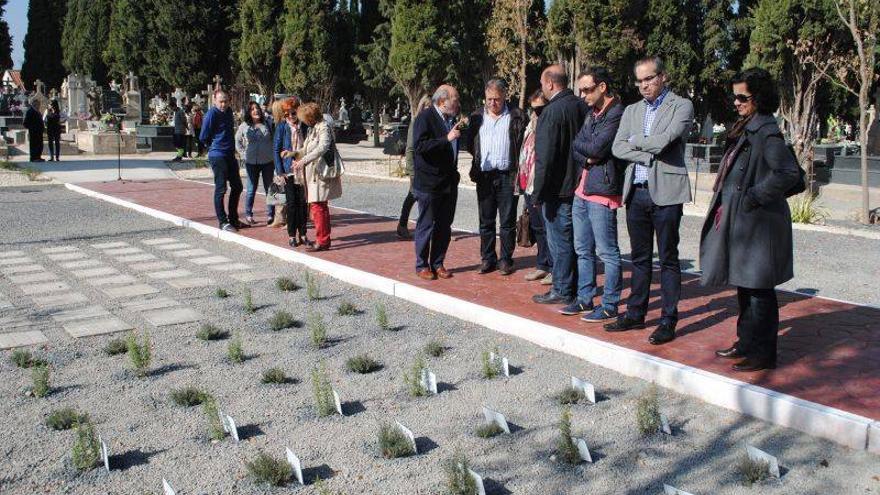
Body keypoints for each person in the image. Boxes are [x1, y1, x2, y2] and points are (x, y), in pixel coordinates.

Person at [700, 68, 801, 372]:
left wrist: (754, 196)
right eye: (735, 97)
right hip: (745, 222)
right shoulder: (746, 127)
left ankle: (763, 354)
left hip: (759, 224)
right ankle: (745, 343)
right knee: (745, 287)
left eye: (742, 97)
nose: (736, 102)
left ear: (758, 99)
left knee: (759, 292)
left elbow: (789, 174)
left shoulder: (766, 131)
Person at [607, 56, 694, 345]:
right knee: (640, 258)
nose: (644, 85)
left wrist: (637, 141)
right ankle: (635, 312)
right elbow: (618, 147)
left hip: (667, 193)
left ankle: (668, 320)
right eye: (639, 80)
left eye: (649, 78)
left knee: (668, 258)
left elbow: (665, 140)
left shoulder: (681, 105)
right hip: (637, 192)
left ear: (663, 77)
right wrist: (645, 150)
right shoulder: (632, 110)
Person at [566, 67, 626, 321]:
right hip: (583, 188)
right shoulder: (592, 114)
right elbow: (577, 144)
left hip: (603, 192)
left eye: (588, 90)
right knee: (582, 249)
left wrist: (590, 152)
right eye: (581, 90)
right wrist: (588, 153)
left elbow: (599, 148)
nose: (583, 95)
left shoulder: (616, 113)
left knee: (607, 252)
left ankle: (610, 304)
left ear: (602, 87)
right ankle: (584, 299)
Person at [531, 65, 589, 304]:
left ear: (551, 84)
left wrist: (538, 193)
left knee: (559, 241)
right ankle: (573, 285)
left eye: (543, 83)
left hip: (557, 188)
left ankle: (563, 289)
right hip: (578, 184)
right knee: (574, 241)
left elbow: (545, 157)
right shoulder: (581, 105)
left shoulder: (552, 112)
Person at [465, 79, 526, 276]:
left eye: (497, 99)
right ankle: (487, 258)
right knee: (486, 220)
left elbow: (522, 144)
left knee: (507, 221)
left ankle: (506, 259)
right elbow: (470, 143)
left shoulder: (517, 116)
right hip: (484, 176)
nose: (493, 103)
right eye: (489, 99)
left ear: (504, 97)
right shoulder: (476, 117)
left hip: (508, 176)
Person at [411, 84, 463, 281]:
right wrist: (446, 139)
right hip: (429, 183)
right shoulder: (425, 118)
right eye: (455, 100)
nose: (458, 103)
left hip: (448, 182)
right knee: (426, 225)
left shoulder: (451, 120)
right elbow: (420, 146)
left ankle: (438, 262)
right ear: (442, 102)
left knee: (444, 225)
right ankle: (422, 264)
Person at [288, 102, 342, 252]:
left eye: (304, 118)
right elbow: (305, 148)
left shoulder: (323, 127)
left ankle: (322, 241)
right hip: (313, 173)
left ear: (310, 117)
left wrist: (303, 161)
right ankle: (324, 238)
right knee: (319, 205)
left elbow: (323, 147)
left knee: (318, 206)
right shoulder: (313, 128)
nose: (303, 121)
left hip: (321, 173)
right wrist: (293, 154)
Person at [517, 90, 553, 286]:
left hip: (542, 184)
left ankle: (555, 268)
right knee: (537, 227)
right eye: (533, 109)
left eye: (540, 109)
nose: (536, 113)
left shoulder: (548, 126)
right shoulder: (530, 126)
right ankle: (542, 264)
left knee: (549, 229)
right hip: (528, 184)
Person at [199, 90, 243, 232]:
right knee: (221, 188)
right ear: (215, 101)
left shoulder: (229, 112)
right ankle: (223, 222)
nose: (223, 104)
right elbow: (203, 136)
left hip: (230, 154)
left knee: (237, 186)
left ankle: (234, 219)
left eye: (225, 101)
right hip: (218, 154)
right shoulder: (212, 114)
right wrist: (213, 147)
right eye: (220, 101)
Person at [398, 95, 433, 240]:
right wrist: (411, 171)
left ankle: (428, 227)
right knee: (413, 195)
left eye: (431, 107)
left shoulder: (433, 123)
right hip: (417, 168)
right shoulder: (416, 122)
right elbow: (410, 148)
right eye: (426, 106)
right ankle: (402, 224)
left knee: (428, 198)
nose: (428, 109)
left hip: (429, 168)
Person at [274, 97, 308, 242]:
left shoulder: (305, 126)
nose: (290, 117)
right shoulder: (282, 127)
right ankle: (292, 235)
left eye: (293, 113)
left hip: (303, 168)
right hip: (288, 170)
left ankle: (303, 233)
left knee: (303, 203)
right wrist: (280, 171)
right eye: (287, 114)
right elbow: (276, 149)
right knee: (292, 203)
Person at [236, 101, 275, 225]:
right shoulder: (244, 126)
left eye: (257, 108)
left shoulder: (268, 123)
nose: (255, 111)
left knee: (269, 188)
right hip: (251, 162)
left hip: (268, 161)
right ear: (249, 112)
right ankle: (248, 214)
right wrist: (243, 155)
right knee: (251, 188)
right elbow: (237, 141)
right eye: (252, 109)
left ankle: (271, 215)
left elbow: (275, 140)